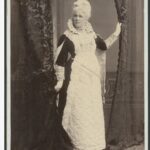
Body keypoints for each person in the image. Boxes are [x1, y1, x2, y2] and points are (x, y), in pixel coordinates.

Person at [54, 0, 121, 149]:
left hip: (92, 79)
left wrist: (116, 34)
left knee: (91, 108)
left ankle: (93, 143)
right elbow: (59, 62)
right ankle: (79, 143)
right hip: (77, 78)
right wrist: (60, 80)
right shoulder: (67, 37)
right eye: (75, 16)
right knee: (79, 110)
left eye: (80, 16)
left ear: (87, 18)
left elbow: (103, 46)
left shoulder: (92, 35)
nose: (77, 19)